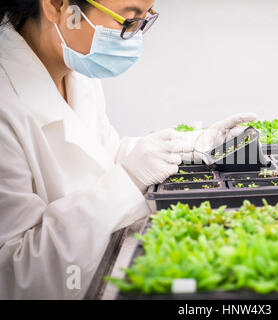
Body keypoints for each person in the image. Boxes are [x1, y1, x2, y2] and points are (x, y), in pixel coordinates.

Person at [0, 0, 256, 299]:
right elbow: (15, 276)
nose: (136, 37)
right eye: (128, 20)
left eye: (145, 19)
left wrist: (186, 144)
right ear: (58, 7)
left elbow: (98, 157)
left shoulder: (76, 69)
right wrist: (129, 181)